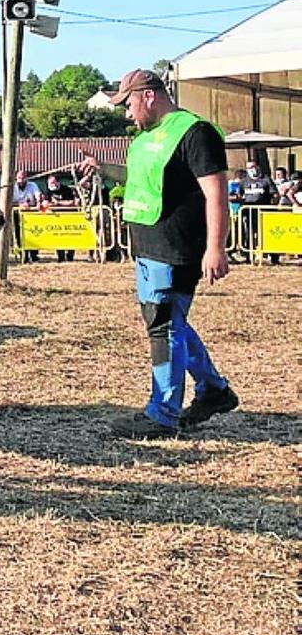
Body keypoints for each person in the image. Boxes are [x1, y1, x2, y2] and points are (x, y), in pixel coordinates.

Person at [79, 68, 237, 439]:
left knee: (163, 326)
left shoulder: (194, 133)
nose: (127, 112)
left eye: (129, 103)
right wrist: (104, 169)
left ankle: (162, 414)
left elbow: (216, 194)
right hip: (149, 247)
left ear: (148, 96)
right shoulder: (145, 138)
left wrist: (216, 248)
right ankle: (214, 390)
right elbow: (141, 179)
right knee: (168, 323)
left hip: (178, 248)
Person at [42, 174, 78, 262]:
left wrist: (58, 203)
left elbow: (71, 202)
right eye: (50, 183)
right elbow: (45, 204)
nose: (51, 184)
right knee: (58, 237)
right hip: (56, 217)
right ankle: (60, 257)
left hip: (69, 216)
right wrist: (49, 205)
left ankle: (70, 256)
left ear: (58, 182)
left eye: (53, 182)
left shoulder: (66, 189)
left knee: (70, 237)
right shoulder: (48, 191)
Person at [11, 169, 43, 262]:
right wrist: (19, 205)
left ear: (27, 178)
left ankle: (34, 255)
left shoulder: (32, 185)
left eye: (23, 177)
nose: (21, 180)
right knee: (18, 234)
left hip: (31, 213)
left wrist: (39, 202)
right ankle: (23, 255)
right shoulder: (12, 187)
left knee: (33, 234)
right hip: (17, 213)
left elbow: (38, 195)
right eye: (19, 178)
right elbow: (8, 201)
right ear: (16, 178)